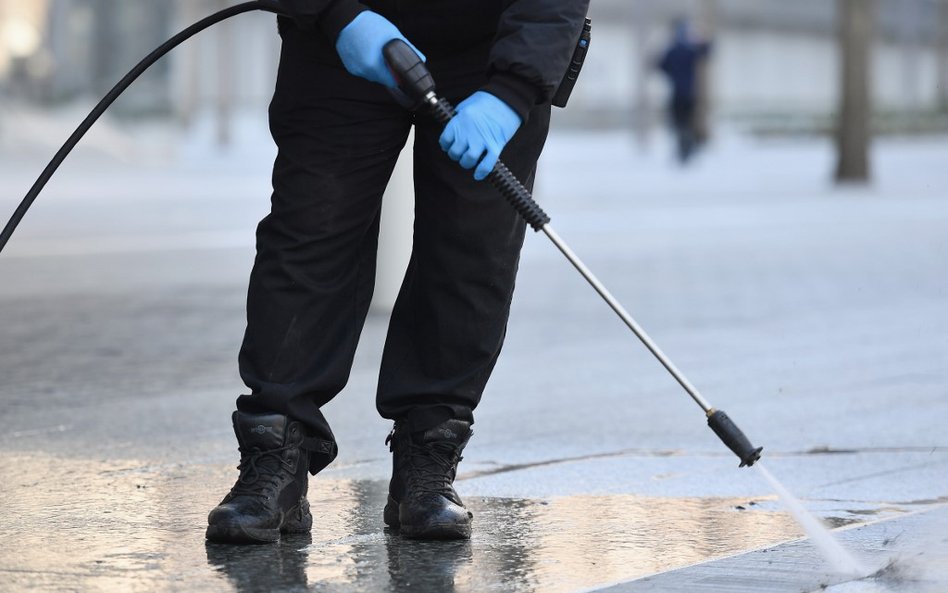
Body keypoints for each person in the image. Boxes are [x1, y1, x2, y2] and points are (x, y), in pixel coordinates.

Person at [205, 0, 590, 544]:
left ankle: (427, 461)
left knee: (470, 250)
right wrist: (337, 14)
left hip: (491, 50)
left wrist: (513, 92)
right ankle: (275, 459)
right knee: (310, 232)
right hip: (343, 36)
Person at [657, 18, 712, 164]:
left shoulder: (672, 50)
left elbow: (660, 66)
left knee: (679, 124)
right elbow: (707, 51)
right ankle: (686, 152)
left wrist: (672, 75)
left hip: (677, 93)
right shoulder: (690, 50)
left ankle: (684, 152)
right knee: (686, 124)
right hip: (689, 93)